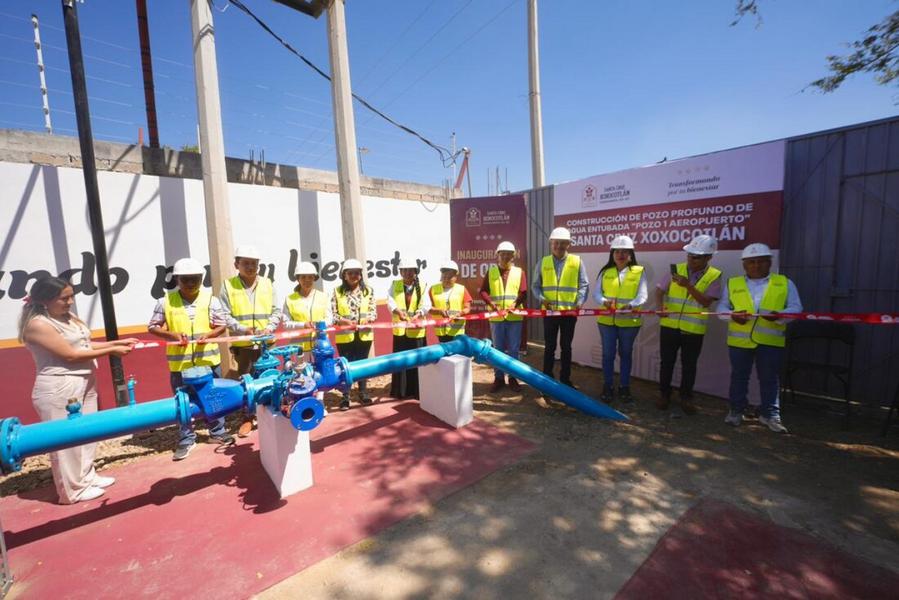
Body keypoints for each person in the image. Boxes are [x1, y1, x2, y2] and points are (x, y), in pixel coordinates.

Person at [19, 276, 138, 503]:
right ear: (45, 300)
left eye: (71, 296)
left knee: (86, 432)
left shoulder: (68, 318)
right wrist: (112, 351)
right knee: (64, 440)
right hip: (59, 385)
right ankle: (71, 490)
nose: (70, 302)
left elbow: (83, 344)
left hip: (84, 380)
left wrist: (116, 343)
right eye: (64, 298)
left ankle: (86, 476)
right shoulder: (38, 324)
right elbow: (70, 355)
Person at [148, 258, 236, 460]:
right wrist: (171, 335)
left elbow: (221, 325)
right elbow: (153, 326)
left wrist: (210, 335)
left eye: (194, 279)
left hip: (208, 361)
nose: (190, 283)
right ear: (177, 280)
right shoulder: (165, 302)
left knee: (214, 397)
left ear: (201, 279)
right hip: (180, 363)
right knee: (182, 402)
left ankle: (217, 432)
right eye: (185, 279)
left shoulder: (211, 300)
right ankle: (186, 438)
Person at [718, 243, 802, 433]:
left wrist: (780, 316)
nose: (756, 265)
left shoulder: (784, 283)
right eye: (751, 262)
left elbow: (796, 308)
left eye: (761, 261)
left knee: (769, 378)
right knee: (739, 376)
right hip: (740, 341)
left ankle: (770, 415)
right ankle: (736, 411)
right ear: (744, 264)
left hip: (770, 341)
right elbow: (721, 307)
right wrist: (732, 316)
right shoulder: (733, 283)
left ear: (770, 262)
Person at [654, 234, 722, 417]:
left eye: (697, 257)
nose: (691, 260)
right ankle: (664, 394)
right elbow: (659, 291)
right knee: (666, 362)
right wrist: (659, 306)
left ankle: (686, 397)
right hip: (670, 326)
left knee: (689, 365)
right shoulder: (676, 269)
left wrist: (689, 286)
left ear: (709, 257)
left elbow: (706, 302)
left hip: (693, 329)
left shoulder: (714, 275)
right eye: (690, 255)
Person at [220, 245, 280, 437]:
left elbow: (276, 311)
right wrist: (242, 329)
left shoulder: (268, 284)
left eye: (254, 263)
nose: (250, 267)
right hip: (244, 346)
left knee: (270, 380)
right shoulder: (228, 286)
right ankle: (247, 418)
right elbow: (224, 315)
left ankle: (270, 414)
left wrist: (268, 328)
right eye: (245, 263)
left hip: (266, 344)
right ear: (236, 264)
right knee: (246, 383)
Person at [533, 227, 589, 389]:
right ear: (551, 243)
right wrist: (542, 299)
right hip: (550, 313)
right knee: (549, 347)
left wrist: (579, 301)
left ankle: (565, 380)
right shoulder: (543, 262)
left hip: (569, 313)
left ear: (568, 244)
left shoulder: (577, 262)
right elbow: (535, 286)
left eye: (563, 243)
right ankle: (546, 380)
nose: (559, 246)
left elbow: (584, 284)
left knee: (566, 347)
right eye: (556, 243)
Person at [594, 235, 647, 404]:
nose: (620, 255)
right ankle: (607, 386)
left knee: (625, 354)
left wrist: (631, 305)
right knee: (607, 355)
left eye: (625, 251)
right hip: (607, 322)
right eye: (617, 251)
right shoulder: (605, 271)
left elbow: (643, 295)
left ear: (631, 254)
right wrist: (604, 301)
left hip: (629, 322)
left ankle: (624, 387)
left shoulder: (639, 271)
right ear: (612, 254)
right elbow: (597, 294)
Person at [480, 241, 528, 393]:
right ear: (498, 255)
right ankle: (499, 378)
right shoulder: (491, 272)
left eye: (509, 254)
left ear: (513, 256)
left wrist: (515, 304)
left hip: (514, 317)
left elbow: (523, 292)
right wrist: (492, 303)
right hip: (496, 317)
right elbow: (483, 291)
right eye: (503, 254)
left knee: (514, 349)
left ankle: (513, 378)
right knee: (498, 349)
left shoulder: (519, 272)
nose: (506, 256)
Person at [332, 258, 376, 411]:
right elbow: (333, 314)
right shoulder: (337, 292)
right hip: (345, 336)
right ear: (344, 275)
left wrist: (368, 319)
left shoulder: (368, 291)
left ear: (360, 275)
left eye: (356, 273)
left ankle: (363, 393)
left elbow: (373, 312)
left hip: (364, 335)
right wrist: (342, 321)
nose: (353, 276)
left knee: (363, 364)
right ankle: (345, 396)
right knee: (346, 366)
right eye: (350, 273)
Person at [388, 258, 430, 399]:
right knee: (400, 361)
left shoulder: (423, 286)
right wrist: (398, 312)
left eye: (410, 270)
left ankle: (418, 391)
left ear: (415, 271)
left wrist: (419, 314)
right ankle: (401, 391)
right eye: (404, 270)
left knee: (418, 361)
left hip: (417, 331)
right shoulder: (395, 285)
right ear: (400, 272)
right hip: (400, 331)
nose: (407, 273)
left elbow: (426, 304)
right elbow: (390, 301)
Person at [281, 261, 332, 354]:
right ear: (298, 279)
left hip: (321, 346)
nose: (307, 280)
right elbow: (285, 324)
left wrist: (318, 325)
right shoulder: (289, 299)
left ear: (314, 278)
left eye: (310, 277)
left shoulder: (324, 297)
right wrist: (303, 325)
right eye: (303, 277)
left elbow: (329, 319)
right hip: (298, 349)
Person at [428, 260, 472, 343]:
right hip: (441, 332)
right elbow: (428, 308)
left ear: (455, 277)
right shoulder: (433, 289)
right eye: (444, 276)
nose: (446, 279)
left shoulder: (461, 289)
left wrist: (460, 313)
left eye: (450, 277)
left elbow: (467, 308)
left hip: (457, 331)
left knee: (458, 351)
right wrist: (439, 311)